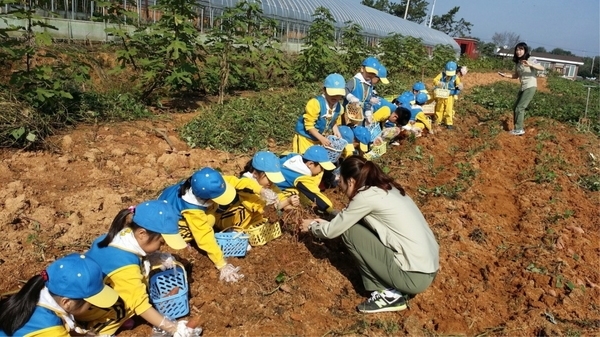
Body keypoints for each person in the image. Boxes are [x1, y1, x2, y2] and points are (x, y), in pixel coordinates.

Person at [301, 156, 439, 313]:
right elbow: (350, 219)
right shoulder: (386, 188)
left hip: (413, 277)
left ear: (351, 181)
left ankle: (387, 293)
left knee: (349, 231)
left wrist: (312, 227)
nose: (339, 182)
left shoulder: (364, 197)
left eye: (341, 179)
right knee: (351, 225)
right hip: (428, 268)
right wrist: (331, 222)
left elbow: (333, 231)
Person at [75, 200, 201, 336]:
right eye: (161, 242)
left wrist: (154, 257)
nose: (161, 247)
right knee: (128, 305)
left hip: (86, 292)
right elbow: (140, 305)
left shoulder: (118, 236)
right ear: (142, 234)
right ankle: (98, 329)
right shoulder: (124, 265)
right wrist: (173, 328)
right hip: (84, 307)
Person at [157, 167, 244, 282]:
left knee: (212, 214)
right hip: (167, 224)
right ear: (205, 198)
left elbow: (235, 181)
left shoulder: (202, 184)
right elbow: (204, 237)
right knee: (209, 220)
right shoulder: (193, 210)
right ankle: (185, 238)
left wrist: (259, 189)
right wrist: (221, 264)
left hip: (164, 205)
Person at [0, 254, 119, 337]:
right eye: (90, 302)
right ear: (67, 302)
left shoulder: (36, 294)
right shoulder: (50, 326)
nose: (92, 306)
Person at [211, 151, 297, 230]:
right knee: (247, 210)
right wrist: (287, 202)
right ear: (255, 173)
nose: (271, 182)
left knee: (274, 205)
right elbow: (264, 210)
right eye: (269, 178)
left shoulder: (268, 184)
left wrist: (290, 208)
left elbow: (280, 195)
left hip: (249, 220)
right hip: (227, 220)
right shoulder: (247, 185)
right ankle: (235, 233)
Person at [275, 145, 337, 215]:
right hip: (275, 190)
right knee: (297, 195)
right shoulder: (301, 177)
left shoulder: (294, 157)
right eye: (321, 167)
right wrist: (330, 209)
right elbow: (315, 195)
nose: (322, 171)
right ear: (310, 164)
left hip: (273, 179)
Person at [498, 42, 545, 136]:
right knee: (516, 107)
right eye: (517, 50)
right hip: (523, 87)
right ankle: (517, 129)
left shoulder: (531, 59)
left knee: (520, 107)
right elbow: (516, 75)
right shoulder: (518, 63)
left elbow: (542, 68)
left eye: (521, 49)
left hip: (530, 86)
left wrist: (531, 64)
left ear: (525, 50)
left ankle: (519, 129)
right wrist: (505, 75)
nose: (519, 51)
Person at [293, 73, 346, 154]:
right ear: (324, 90)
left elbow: (333, 120)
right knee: (305, 161)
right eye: (332, 93)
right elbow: (309, 126)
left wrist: (336, 131)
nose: (335, 96)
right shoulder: (315, 104)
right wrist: (321, 138)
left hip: (319, 139)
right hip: (306, 138)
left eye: (338, 94)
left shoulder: (339, 108)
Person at [344, 57, 382, 125]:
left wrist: (368, 114)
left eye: (373, 73)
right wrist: (350, 97)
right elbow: (345, 90)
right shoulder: (355, 81)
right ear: (362, 69)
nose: (370, 74)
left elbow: (367, 101)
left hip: (360, 116)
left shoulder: (370, 85)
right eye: (369, 72)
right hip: (349, 115)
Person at [432, 61, 462, 130]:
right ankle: (438, 121)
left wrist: (459, 86)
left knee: (449, 109)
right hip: (441, 94)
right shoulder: (441, 75)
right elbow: (435, 80)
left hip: (449, 95)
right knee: (439, 108)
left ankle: (449, 123)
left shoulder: (455, 77)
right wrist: (438, 83)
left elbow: (458, 84)